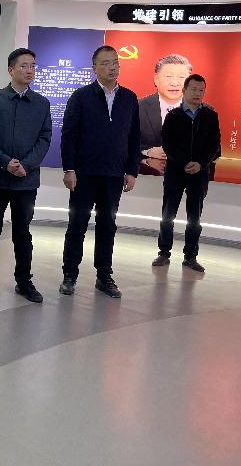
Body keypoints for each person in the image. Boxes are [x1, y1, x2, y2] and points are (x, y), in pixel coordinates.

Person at [0, 48, 51, 302]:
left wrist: (26, 164)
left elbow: (44, 138)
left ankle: (24, 281)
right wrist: (6, 163)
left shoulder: (41, 104)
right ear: (11, 70)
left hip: (26, 180)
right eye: (24, 65)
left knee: (22, 233)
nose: (30, 70)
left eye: (33, 65)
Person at [59, 45, 140, 299]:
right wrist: (69, 169)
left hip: (114, 175)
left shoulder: (129, 98)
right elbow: (69, 135)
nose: (112, 67)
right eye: (105, 63)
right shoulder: (81, 97)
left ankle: (104, 276)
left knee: (107, 227)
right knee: (77, 225)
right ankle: (70, 275)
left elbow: (134, 137)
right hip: (84, 174)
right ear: (94, 68)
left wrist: (132, 170)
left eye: (115, 62)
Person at [152, 74, 220, 272]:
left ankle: (190, 256)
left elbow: (215, 145)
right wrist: (184, 163)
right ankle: (164, 253)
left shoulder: (210, 116)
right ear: (184, 91)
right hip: (175, 172)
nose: (197, 93)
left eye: (201, 90)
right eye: (194, 89)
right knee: (168, 214)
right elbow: (167, 144)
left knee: (194, 217)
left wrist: (200, 164)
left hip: (200, 174)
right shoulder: (173, 116)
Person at [138, 54, 192, 174]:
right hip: (145, 178)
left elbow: (214, 149)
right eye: (168, 76)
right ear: (156, 79)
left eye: (181, 77)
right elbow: (123, 143)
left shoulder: (204, 112)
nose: (174, 83)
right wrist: (147, 152)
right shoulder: (137, 108)